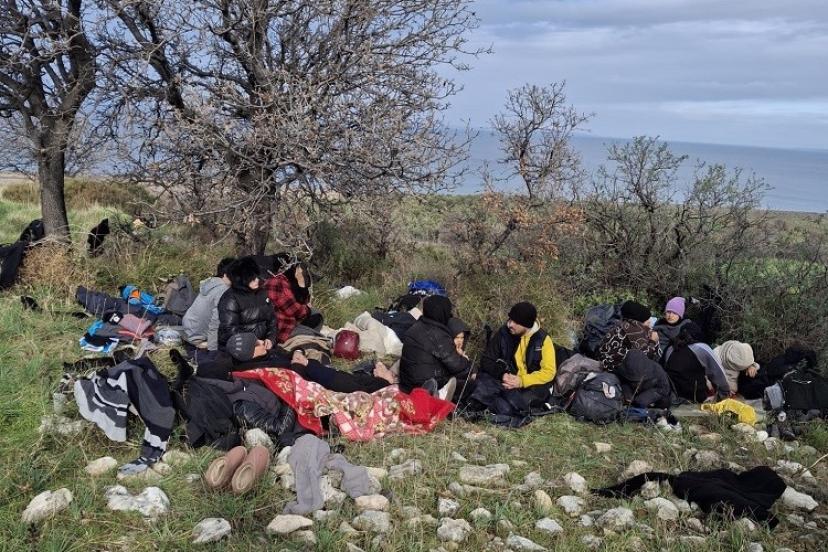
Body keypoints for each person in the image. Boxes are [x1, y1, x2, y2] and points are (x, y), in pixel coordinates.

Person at [466, 302, 558, 420]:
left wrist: (522, 381)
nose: (510, 324)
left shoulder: (543, 340)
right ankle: (480, 407)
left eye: (515, 322)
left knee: (518, 403)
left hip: (530, 385)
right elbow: (487, 360)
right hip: (504, 380)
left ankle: (492, 408)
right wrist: (503, 375)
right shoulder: (503, 333)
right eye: (510, 319)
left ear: (526, 325)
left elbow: (549, 372)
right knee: (483, 381)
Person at [399, 295, 472, 400]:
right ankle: (440, 396)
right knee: (470, 382)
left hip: (406, 384)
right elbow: (457, 365)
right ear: (443, 313)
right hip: (423, 385)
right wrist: (465, 359)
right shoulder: (438, 335)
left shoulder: (416, 326)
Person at [217, 256, 280, 357]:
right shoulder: (230, 298)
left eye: (256, 277)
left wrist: (270, 338)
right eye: (252, 279)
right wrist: (254, 342)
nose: (256, 281)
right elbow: (229, 330)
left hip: (264, 346)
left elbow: (272, 320)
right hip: (240, 350)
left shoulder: (262, 293)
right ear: (242, 279)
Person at [663, 322, 731, 402]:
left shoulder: (669, 349)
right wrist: (724, 394)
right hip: (698, 398)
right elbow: (718, 373)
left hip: (674, 396)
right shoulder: (700, 348)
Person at [263, 253, 322, 344]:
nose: (308, 281)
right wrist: (307, 309)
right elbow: (295, 310)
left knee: (316, 316)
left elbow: (303, 305)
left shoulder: (293, 284)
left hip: (288, 323)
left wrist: (303, 288)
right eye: (306, 276)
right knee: (315, 316)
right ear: (297, 270)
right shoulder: (278, 282)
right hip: (280, 328)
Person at [182, 257, 234, 351]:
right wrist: (213, 349)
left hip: (188, 328)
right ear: (226, 274)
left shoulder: (211, 282)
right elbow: (216, 321)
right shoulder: (223, 290)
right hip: (198, 337)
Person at [597, 300, 659, 371]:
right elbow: (642, 358)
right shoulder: (633, 330)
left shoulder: (622, 325)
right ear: (638, 321)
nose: (650, 322)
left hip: (605, 364)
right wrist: (653, 342)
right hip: (613, 369)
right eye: (646, 320)